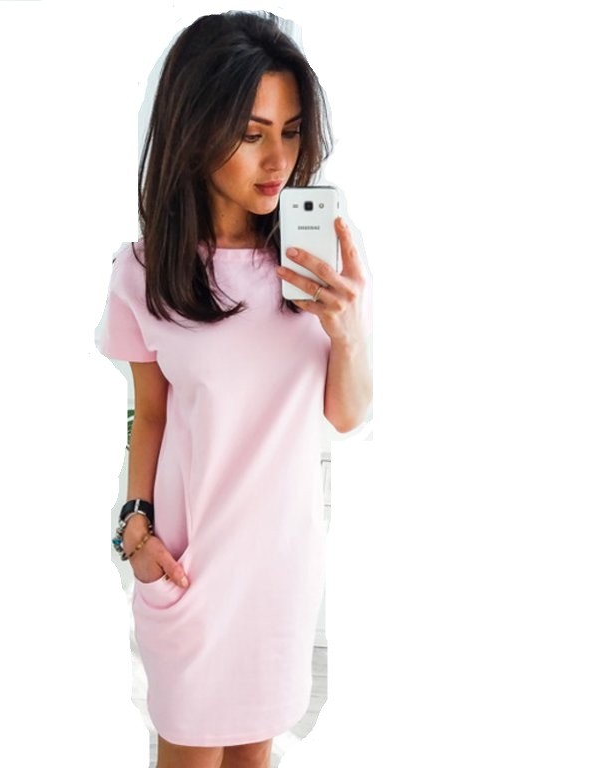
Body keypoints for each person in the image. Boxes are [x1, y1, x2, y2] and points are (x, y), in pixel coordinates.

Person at [96, 11, 371, 768]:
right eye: (252, 134)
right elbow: (150, 414)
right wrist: (135, 527)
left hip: (280, 575)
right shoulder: (145, 273)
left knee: (256, 757)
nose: (278, 159)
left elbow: (348, 415)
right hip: (191, 569)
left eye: (291, 132)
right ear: (195, 129)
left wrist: (346, 328)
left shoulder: (321, 267)